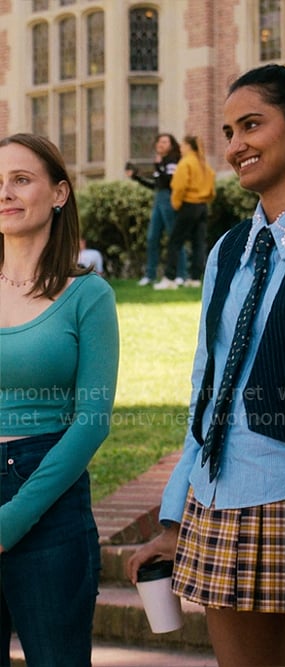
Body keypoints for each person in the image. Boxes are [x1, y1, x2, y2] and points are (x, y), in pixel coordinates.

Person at [127, 58, 285, 667]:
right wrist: (175, 515)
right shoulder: (227, 249)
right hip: (217, 496)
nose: (236, 146)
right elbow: (204, 388)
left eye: (252, 126)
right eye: (230, 132)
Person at [0, 133, 120, 666]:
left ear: (59, 193)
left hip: (48, 497)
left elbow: (91, 421)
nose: (5, 192)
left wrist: (14, 517)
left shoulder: (87, 295)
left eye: (21, 179)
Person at [153, 135, 215, 290]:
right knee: (198, 243)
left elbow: (179, 186)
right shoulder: (203, 163)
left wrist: (176, 203)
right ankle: (195, 279)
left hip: (188, 205)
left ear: (188, 146)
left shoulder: (186, 163)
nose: (180, 148)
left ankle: (169, 278)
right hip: (202, 206)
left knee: (175, 241)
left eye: (182, 145)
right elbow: (212, 186)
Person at [126, 132, 186, 287]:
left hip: (169, 198)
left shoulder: (173, 160)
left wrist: (159, 165)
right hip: (158, 199)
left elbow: (169, 181)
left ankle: (181, 274)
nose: (161, 144)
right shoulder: (161, 162)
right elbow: (156, 184)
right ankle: (150, 275)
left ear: (171, 145)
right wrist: (136, 177)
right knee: (152, 237)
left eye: (165, 142)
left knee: (174, 236)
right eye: (159, 141)